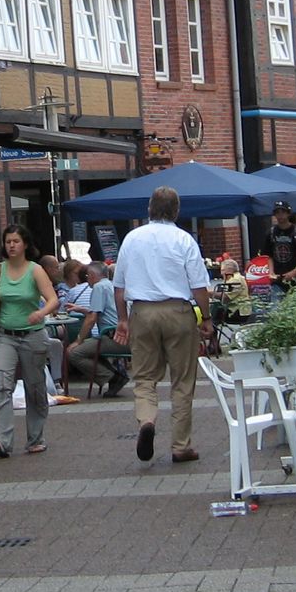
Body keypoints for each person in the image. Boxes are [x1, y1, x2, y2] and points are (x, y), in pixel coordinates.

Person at [111, 186, 213, 465]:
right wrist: (206, 318)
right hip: (178, 311)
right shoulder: (184, 239)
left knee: (144, 378)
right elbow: (199, 286)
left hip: (142, 312)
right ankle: (181, 446)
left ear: (149, 209)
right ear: (177, 211)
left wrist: (122, 319)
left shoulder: (132, 239)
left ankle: (147, 420)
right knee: (182, 381)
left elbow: (118, 287)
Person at [0, 225, 59, 457]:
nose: (12, 245)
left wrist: (41, 312)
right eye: (8, 241)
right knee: (2, 386)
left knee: (35, 388)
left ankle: (36, 438)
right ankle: (1, 440)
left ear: (25, 244)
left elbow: (53, 299)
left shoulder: (35, 270)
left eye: (16, 241)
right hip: (4, 336)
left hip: (33, 336)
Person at [65, 260, 123, 395]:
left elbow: (91, 319)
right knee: (90, 348)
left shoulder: (98, 288)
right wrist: (82, 309)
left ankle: (113, 377)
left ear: (91, 275)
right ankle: (115, 375)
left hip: (113, 337)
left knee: (74, 352)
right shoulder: (110, 285)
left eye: (87, 276)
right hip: (122, 335)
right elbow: (102, 312)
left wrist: (78, 341)